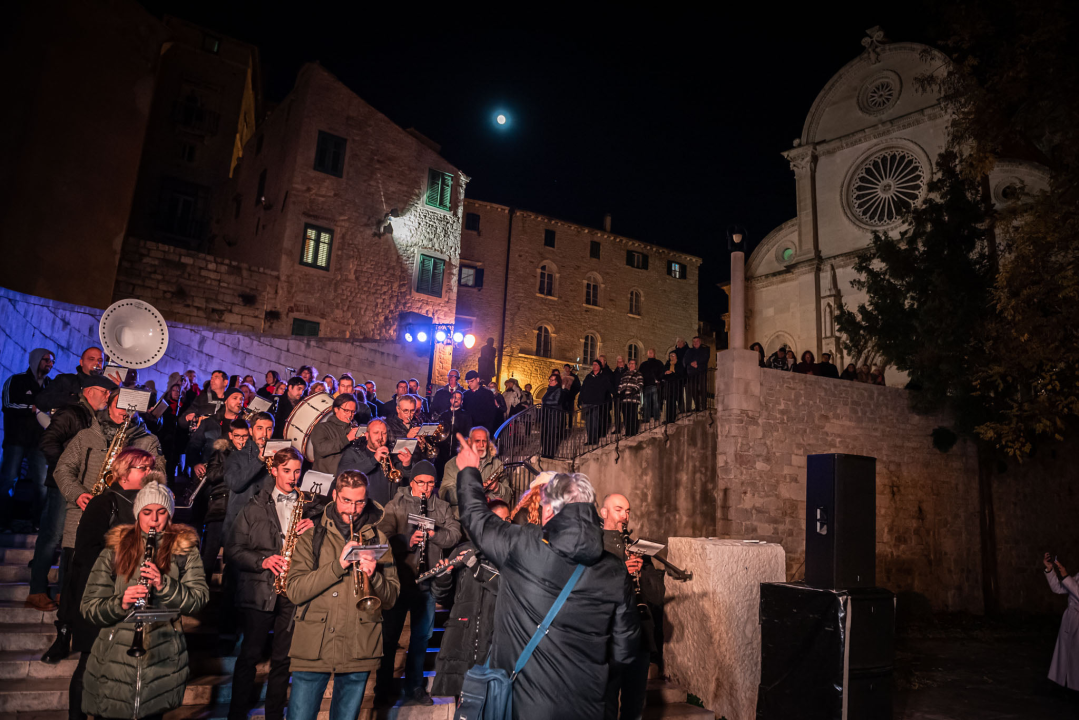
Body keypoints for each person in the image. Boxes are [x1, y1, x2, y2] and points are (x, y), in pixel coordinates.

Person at [455, 437, 640, 719]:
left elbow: (478, 521)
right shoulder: (615, 570)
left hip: (523, 707)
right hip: (588, 705)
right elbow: (625, 649)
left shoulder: (522, 546)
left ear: (551, 510)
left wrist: (469, 470)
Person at [49, 389, 164, 663]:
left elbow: (159, 476)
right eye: (119, 404)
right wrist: (78, 494)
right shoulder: (86, 435)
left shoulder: (148, 440)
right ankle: (63, 635)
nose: (124, 411)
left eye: (129, 406)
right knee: (74, 581)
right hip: (84, 515)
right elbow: (62, 470)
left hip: (124, 520)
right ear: (108, 405)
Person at [79, 483, 207, 720]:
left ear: (170, 514)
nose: (154, 520)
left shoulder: (185, 551)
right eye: (147, 512)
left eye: (161, 512)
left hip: (162, 659)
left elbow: (197, 600)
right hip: (114, 662)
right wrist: (121, 602)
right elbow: (89, 607)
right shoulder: (115, 550)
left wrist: (163, 584)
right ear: (137, 514)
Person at [284, 470, 400, 720]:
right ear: (335, 495)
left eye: (359, 502)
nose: (352, 509)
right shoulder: (312, 535)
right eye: (346, 500)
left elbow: (391, 598)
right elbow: (294, 590)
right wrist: (338, 565)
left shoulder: (378, 539)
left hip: (359, 646)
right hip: (313, 646)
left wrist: (375, 577)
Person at [226, 447, 315, 720]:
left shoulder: (309, 507)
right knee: (249, 656)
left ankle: (274, 715)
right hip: (260, 590)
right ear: (274, 470)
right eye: (286, 471)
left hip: (292, 590)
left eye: (297, 471)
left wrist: (317, 531)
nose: (293, 477)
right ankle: (236, 715)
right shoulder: (253, 506)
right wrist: (263, 561)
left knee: (283, 660)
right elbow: (233, 549)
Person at [65, 450, 156, 720]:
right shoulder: (103, 503)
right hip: (100, 597)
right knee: (90, 666)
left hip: (131, 598)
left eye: (151, 467)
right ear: (124, 473)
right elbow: (85, 553)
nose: (150, 473)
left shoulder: (147, 506)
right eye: (143, 468)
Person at [29, 374, 116, 617]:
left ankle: (62, 591)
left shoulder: (95, 416)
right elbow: (48, 442)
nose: (108, 396)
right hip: (62, 486)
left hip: (82, 488)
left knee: (71, 539)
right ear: (89, 391)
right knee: (52, 535)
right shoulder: (71, 413)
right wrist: (67, 472)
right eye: (104, 391)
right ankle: (36, 590)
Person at [375, 461, 461, 706]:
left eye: (431, 483)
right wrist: (407, 540)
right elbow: (381, 537)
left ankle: (414, 687)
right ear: (411, 482)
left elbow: (454, 535)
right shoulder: (396, 504)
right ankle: (383, 689)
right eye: (421, 482)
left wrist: (433, 534)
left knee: (421, 638)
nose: (426, 487)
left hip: (427, 582)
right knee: (390, 637)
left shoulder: (442, 507)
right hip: (399, 582)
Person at [429, 497, 510, 698]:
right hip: (462, 637)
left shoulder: (512, 554)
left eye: (507, 520)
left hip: (495, 638)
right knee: (462, 702)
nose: (504, 525)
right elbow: (443, 597)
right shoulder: (463, 550)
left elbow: (509, 590)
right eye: (498, 520)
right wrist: (443, 577)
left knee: (491, 701)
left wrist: (477, 568)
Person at [599, 494, 656, 720]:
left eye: (628, 511)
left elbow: (658, 595)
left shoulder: (637, 548)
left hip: (639, 636)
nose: (625, 515)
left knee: (634, 708)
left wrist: (642, 571)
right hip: (609, 637)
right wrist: (622, 570)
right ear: (604, 513)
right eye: (618, 509)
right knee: (607, 705)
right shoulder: (595, 546)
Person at [1, 348, 53, 529]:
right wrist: (32, 408)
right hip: (16, 440)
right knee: (8, 480)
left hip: (39, 442)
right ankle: (3, 522)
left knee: (42, 484)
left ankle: (38, 523)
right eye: (46, 360)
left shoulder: (51, 385)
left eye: (52, 361)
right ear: (36, 360)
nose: (50, 364)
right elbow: (8, 404)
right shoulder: (16, 381)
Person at [199, 419, 248, 576]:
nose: (241, 440)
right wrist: (231, 462)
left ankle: (229, 587)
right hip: (220, 506)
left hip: (240, 508)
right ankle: (202, 587)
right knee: (210, 552)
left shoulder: (250, 454)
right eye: (238, 436)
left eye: (245, 436)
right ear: (231, 436)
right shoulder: (222, 452)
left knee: (234, 553)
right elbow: (211, 475)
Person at [222, 412, 275, 544]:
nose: (264, 434)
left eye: (269, 429)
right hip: (240, 525)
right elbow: (235, 484)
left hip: (266, 524)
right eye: (260, 428)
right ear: (251, 431)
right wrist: (259, 461)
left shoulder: (277, 457)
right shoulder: (236, 456)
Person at [338, 418, 412, 507]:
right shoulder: (353, 453)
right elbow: (343, 474)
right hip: (366, 508)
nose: (380, 437)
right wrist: (374, 460)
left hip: (390, 508)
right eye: (376, 433)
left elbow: (406, 482)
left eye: (384, 433)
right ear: (367, 435)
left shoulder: (393, 454)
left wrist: (407, 465)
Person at [440, 427, 511, 518]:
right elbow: (444, 494)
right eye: (477, 441)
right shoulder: (452, 464)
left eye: (484, 441)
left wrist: (497, 488)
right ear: (469, 442)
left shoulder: (497, 464)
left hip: (488, 519)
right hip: (460, 520)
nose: (481, 445)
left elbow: (508, 497)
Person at [187, 388, 244, 485]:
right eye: (235, 398)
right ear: (225, 401)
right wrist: (196, 463)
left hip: (235, 475)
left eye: (241, 399)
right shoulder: (209, 422)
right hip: (209, 473)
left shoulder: (245, 425)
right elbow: (193, 446)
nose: (239, 402)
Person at [1043, 553, 1079, 689]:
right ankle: (1066, 686)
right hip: (1070, 619)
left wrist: (1065, 576)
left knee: (1076, 657)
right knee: (1066, 655)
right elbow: (1058, 588)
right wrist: (1050, 570)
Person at [309, 393, 362, 475]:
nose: (350, 415)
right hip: (326, 477)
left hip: (348, 476)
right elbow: (321, 449)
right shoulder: (322, 427)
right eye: (346, 411)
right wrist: (347, 438)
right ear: (336, 409)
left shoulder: (353, 428)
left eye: (353, 412)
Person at [579, 360, 613, 445]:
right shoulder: (588, 376)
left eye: (596, 364)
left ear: (599, 366)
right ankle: (590, 439)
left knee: (594, 421)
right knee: (588, 422)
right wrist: (580, 399)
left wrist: (615, 394)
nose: (594, 366)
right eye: (593, 364)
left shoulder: (603, 377)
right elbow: (583, 388)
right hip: (587, 402)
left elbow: (609, 387)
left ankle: (594, 439)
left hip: (596, 402)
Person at [461, 370, 498, 436]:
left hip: (483, 428)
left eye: (471, 381)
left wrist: (488, 430)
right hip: (468, 430)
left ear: (477, 379)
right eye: (468, 382)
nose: (469, 384)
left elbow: (491, 413)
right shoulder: (465, 395)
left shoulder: (488, 394)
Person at [540, 374, 564, 459]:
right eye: (550, 379)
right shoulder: (549, 390)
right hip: (547, 415)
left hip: (553, 416)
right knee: (545, 434)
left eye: (552, 380)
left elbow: (556, 401)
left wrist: (544, 402)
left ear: (556, 382)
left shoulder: (558, 390)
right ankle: (544, 452)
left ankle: (549, 453)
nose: (550, 381)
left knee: (551, 435)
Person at [618, 359, 644, 437]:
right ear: (628, 365)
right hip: (624, 399)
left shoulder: (638, 374)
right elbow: (621, 384)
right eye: (630, 363)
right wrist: (619, 393)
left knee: (632, 414)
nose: (632, 365)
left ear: (636, 365)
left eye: (633, 364)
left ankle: (633, 431)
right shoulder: (624, 374)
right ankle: (627, 431)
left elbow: (640, 384)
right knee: (625, 415)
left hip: (633, 398)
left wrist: (634, 390)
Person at [684, 336, 710, 411]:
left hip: (701, 372)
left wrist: (697, 363)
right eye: (694, 342)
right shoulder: (689, 351)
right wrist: (691, 363)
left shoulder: (705, 350)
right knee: (693, 390)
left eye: (697, 341)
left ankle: (704, 406)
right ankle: (697, 406)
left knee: (703, 389)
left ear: (700, 342)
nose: (695, 343)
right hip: (692, 373)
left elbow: (705, 358)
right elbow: (685, 360)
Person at [639, 349, 665, 423]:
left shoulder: (658, 363)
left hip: (655, 385)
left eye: (651, 352)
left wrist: (658, 379)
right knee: (646, 403)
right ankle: (646, 418)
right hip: (646, 385)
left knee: (655, 402)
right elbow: (640, 374)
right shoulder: (643, 364)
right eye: (649, 352)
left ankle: (656, 417)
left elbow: (662, 372)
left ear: (654, 353)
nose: (650, 354)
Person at [662, 351, 685, 423]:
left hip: (676, 385)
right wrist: (666, 372)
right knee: (669, 402)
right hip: (669, 386)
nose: (671, 357)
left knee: (675, 401)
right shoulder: (667, 364)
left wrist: (673, 372)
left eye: (673, 355)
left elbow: (681, 374)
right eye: (670, 356)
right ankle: (668, 419)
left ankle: (674, 418)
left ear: (676, 357)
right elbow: (663, 373)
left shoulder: (679, 364)